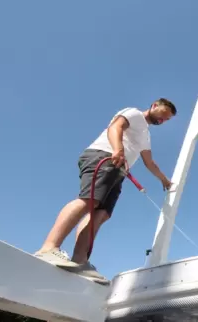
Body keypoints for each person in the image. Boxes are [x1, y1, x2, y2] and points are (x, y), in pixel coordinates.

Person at [34, 98, 176, 285]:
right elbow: (115, 128)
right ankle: (49, 248)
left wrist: (164, 180)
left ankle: (79, 261)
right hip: (105, 156)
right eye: (162, 115)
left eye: (166, 120)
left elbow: (149, 162)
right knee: (89, 200)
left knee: (102, 214)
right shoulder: (133, 113)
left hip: (119, 170)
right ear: (154, 105)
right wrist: (117, 149)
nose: (162, 121)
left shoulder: (145, 135)